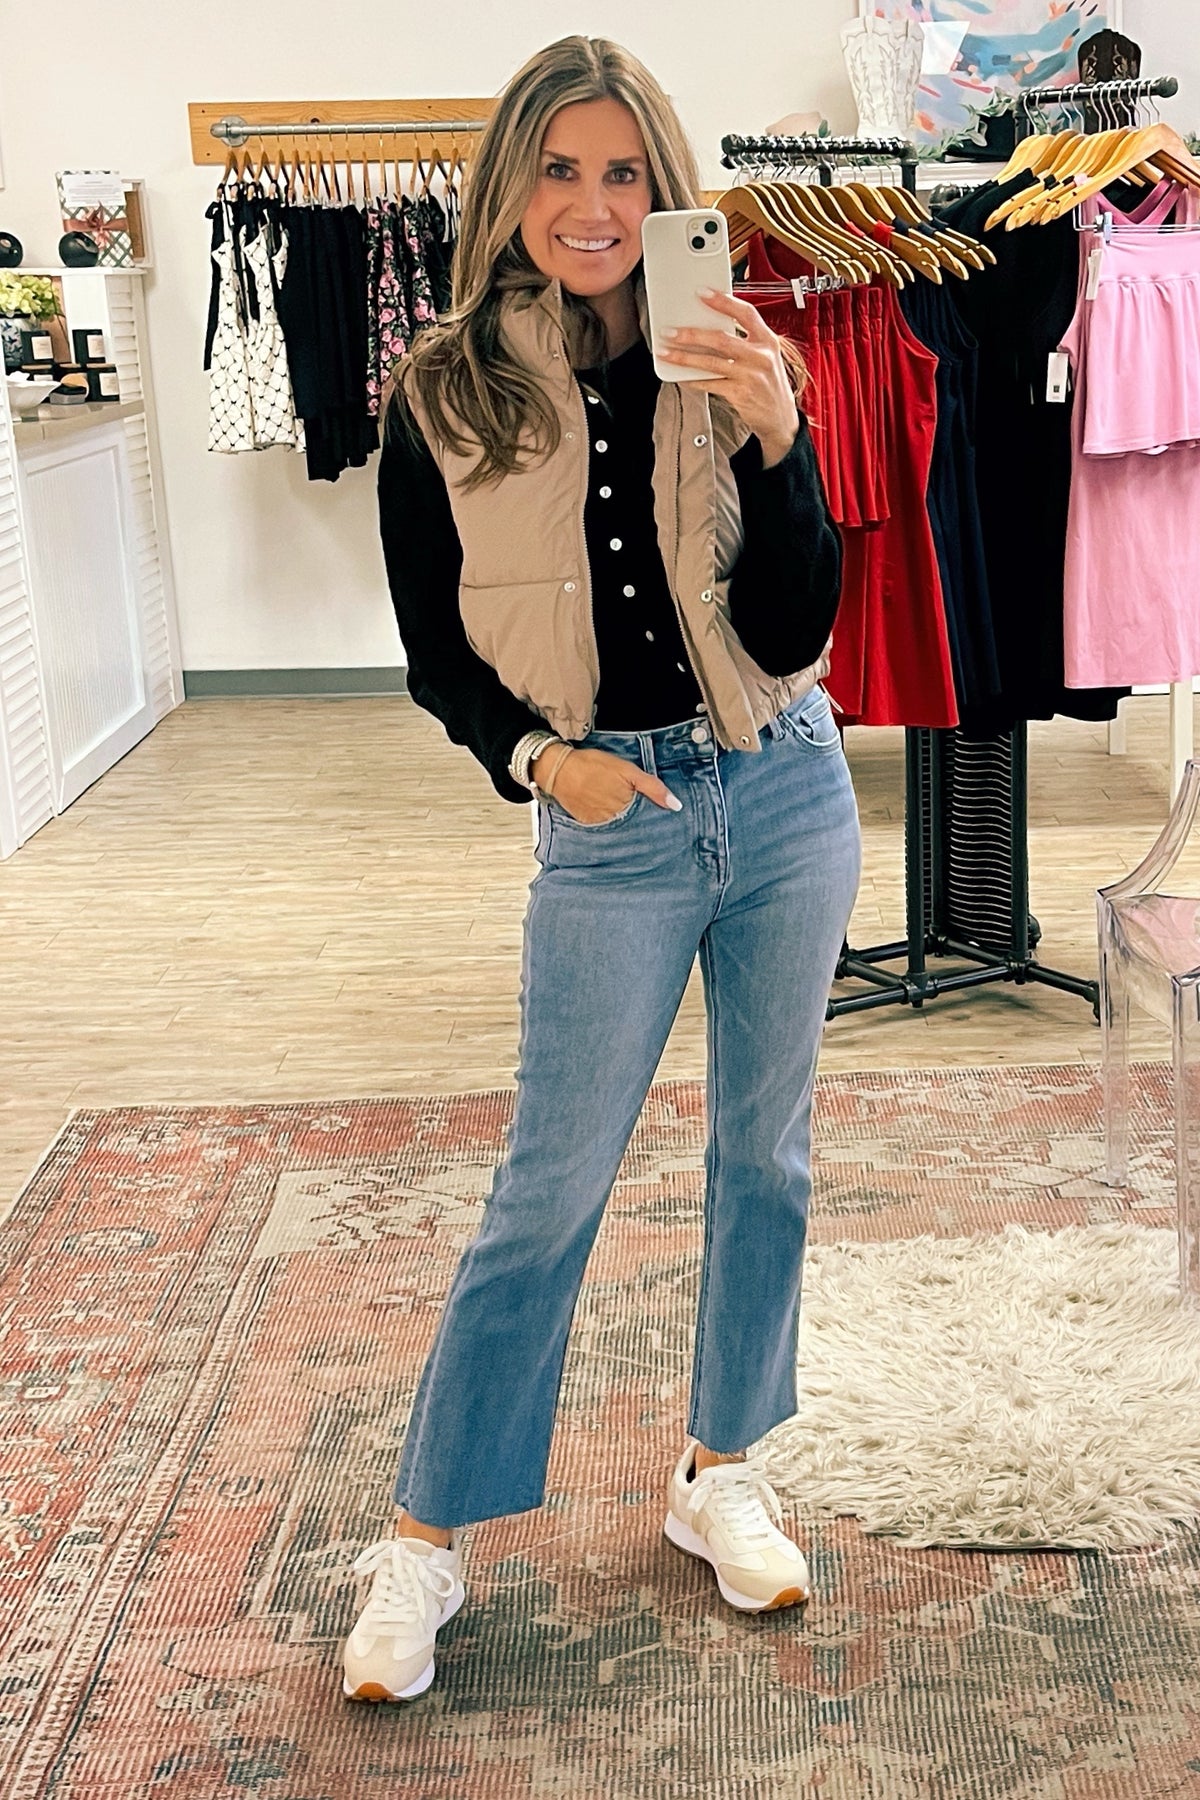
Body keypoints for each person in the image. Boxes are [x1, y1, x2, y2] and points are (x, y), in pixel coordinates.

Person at [342, 34, 861, 1704]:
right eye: (559, 170)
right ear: (509, 187)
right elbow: (439, 656)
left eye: (625, 172)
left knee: (765, 1154)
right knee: (548, 1186)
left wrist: (780, 443)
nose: (593, 205)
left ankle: (720, 1472)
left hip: (785, 790)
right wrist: (539, 760)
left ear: (666, 188)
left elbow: (794, 621)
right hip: (607, 825)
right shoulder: (442, 395)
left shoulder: (732, 354)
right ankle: (422, 1542)